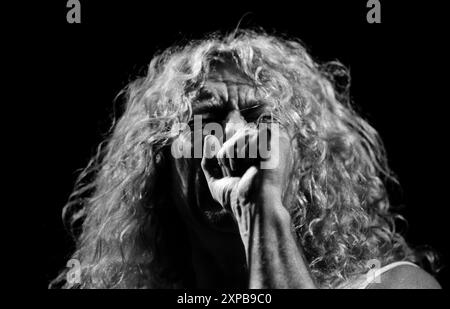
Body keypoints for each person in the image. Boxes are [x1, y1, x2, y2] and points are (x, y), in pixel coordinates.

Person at [51, 30, 441, 289]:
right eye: (206, 118)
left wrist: (262, 212)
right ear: (159, 162)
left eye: (260, 118)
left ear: (301, 159)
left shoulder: (395, 285)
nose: (236, 135)